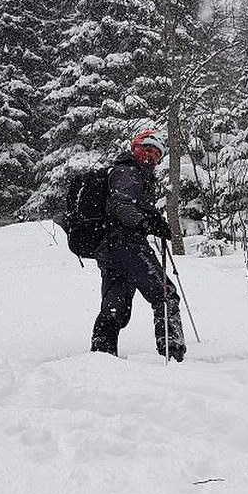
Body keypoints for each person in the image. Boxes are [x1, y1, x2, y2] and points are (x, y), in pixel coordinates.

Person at [90, 130, 187, 362]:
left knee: (116, 306)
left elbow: (131, 205)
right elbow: (121, 205)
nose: (150, 157)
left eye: (156, 154)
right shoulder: (129, 173)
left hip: (110, 248)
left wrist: (154, 220)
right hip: (127, 245)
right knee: (165, 294)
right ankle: (172, 353)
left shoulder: (128, 173)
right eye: (146, 151)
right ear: (135, 149)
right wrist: (144, 222)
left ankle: (102, 357)